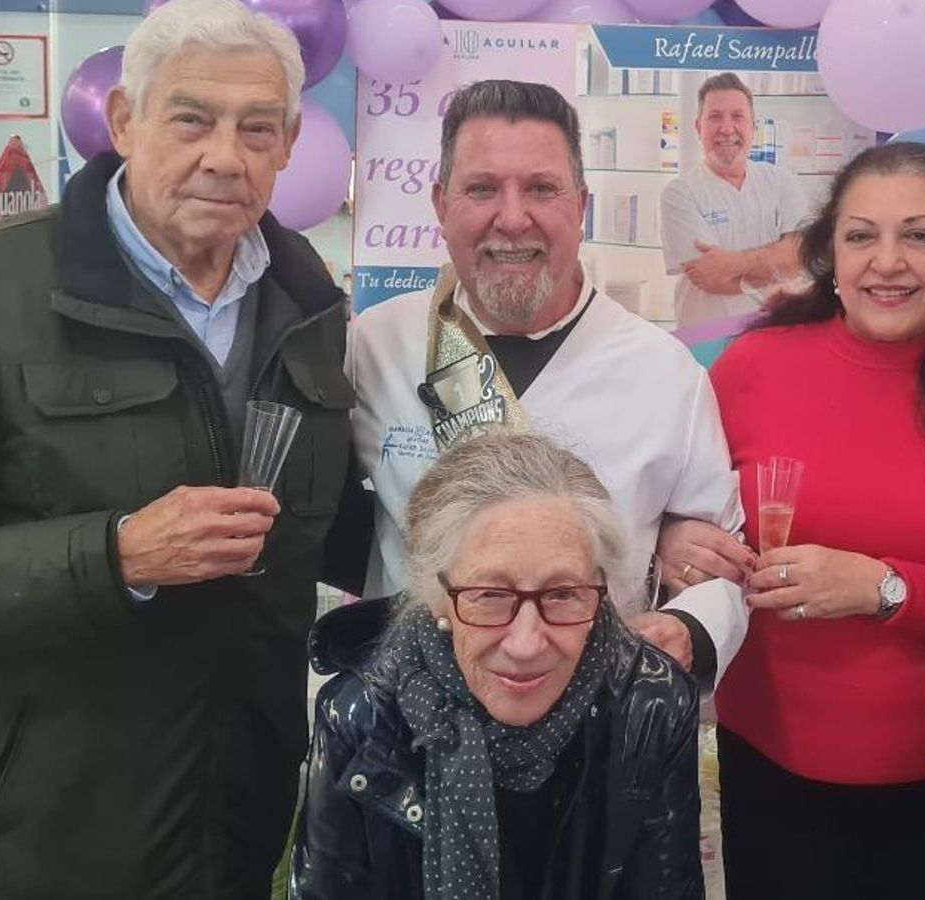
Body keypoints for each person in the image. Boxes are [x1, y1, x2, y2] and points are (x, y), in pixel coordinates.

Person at [0, 0, 354, 896]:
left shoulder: (307, 300)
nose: (225, 155)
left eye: (257, 127)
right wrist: (116, 555)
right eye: (191, 118)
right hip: (43, 850)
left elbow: (324, 528)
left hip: (240, 834)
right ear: (126, 121)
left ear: (290, 143)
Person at [660, 141, 925, 898]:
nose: (887, 262)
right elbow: (681, 518)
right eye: (861, 236)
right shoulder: (751, 367)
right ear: (829, 254)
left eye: (920, 235)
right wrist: (676, 541)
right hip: (765, 761)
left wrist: (883, 588)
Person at [345, 79, 747, 687]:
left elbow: (723, 560)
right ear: (440, 204)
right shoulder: (373, 347)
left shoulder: (665, 374)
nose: (512, 218)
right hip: (411, 722)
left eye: (541, 189)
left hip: (594, 721)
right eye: (481, 189)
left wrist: (691, 626)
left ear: (580, 206)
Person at [293, 432, 702, 900]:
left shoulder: (652, 703)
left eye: (563, 593)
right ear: (436, 597)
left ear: (598, 585)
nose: (527, 644)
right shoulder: (362, 714)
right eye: (489, 595)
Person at [660, 73, 812, 328]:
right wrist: (777, 266)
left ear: (753, 127)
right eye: (715, 116)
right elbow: (709, 277)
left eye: (737, 116)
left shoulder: (780, 181)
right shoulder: (680, 193)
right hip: (707, 340)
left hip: (771, 333)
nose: (727, 128)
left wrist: (731, 263)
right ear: (699, 127)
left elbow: (800, 255)